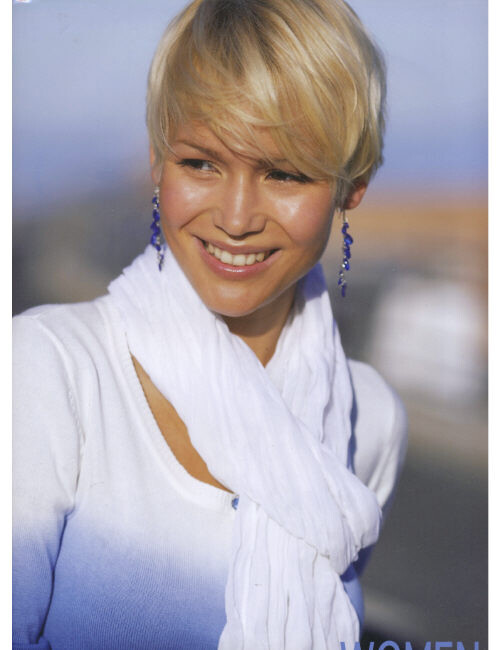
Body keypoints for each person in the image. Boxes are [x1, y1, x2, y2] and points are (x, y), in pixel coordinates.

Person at [13, 0, 407, 648]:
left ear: (352, 186)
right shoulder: (50, 369)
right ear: (157, 158)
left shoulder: (372, 419)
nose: (236, 217)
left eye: (283, 173)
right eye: (201, 163)